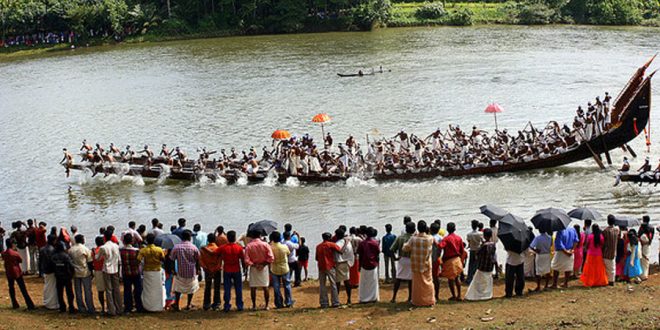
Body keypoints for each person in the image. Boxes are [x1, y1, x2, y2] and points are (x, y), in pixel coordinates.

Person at [402, 220, 435, 306]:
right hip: (426, 264)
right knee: (428, 282)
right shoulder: (430, 238)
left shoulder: (413, 238)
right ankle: (429, 300)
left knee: (417, 284)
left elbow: (405, 248)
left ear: (417, 228)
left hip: (416, 264)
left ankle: (417, 301)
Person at [169, 230, 200, 311]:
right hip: (191, 272)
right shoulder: (194, 247)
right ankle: (189, 304)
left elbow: (172, 259)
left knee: (178, 289)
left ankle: (177, 304)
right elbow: (198, 260)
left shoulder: (176, 247)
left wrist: (172, 269)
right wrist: (198, 270)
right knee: (191, 288)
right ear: (189, 238)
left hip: (180, 272)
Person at [244, 230, 274, 310]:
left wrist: (254, 265)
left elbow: (246, 260)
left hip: (254, 268)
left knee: (253, 287)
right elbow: (271, 257)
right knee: (265, 286)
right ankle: (267, 305)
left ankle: (254, 305)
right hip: (264, 268)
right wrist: (263, 264)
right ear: (260, 235)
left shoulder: (249, 246)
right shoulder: (265, 245)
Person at [2, 238, 35, 310]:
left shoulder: (4, 253)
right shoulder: (15, 253)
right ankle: (29, 304)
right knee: (23, 289)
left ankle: (14, 303)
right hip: (17, 272)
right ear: (12, 244)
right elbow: (20, 260)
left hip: (9, 272)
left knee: (11, 288)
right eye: (15, 243)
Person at [216, 230, 244, 312]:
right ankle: (239, 305)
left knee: (227, 289)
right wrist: (245, 269)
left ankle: (227, 305)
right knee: (238, 288)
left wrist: (204, 248)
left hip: (227, 270)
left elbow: (214, 252)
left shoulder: (223, 248)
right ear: (235, 238)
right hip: (237, 269)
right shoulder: (239, 247)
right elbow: (242, 259)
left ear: (227, 238)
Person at [465, 228, 496, 301]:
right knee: (487, 281)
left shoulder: (484, 245)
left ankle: (478, 295)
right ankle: (487, 295)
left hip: (482, 265)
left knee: (478, 281)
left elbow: (478, 253)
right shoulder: (493, 244)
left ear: (484, 236)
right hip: (490, 265)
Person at [138, 233, 166, 312]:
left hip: (147, 271)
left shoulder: (143, 250)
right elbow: (163, 260)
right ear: (154, 240)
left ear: (146, 240)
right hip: (157, 271)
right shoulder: (159, 249)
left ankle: (147, 306)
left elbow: (138, 260)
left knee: (148, 289)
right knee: (158, 289)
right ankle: (158, 306)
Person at [97, 229, 123, 316]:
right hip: (115, 269)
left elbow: (98, 258)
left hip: (107, 269)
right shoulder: (116, 246)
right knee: (116, 289)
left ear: (104, 237)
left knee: (108, 290)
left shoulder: (103, 247)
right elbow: (119, 259)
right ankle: (119, 308)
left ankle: (111, 310)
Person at [68, 234, 95, 314]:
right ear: (82, 240)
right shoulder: (85, 249)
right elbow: (90, 262)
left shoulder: (71, 250)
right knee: (87, 291)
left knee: (78, 291)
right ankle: (90, 308)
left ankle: (81, 307)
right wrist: (92, 273)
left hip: (75, 272)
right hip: (85, 272)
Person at [438, 222, 465, 301]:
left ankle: (454, 295)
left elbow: (441, 246)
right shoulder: (459, 238)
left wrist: (435, 241)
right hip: (457, 259)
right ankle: (459, 295)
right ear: (455, 229)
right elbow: (462, 250)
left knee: (450, 279)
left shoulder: (446, 238)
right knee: (457, 278)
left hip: (449, 260)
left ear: (447, 229)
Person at [390, 221, 414, 303]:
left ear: (406, 229)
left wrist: (395, 258)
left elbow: (392, 249)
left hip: (402, 259)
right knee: (411, 280)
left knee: (398, 278)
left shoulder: (400, 237)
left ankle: (394, 297)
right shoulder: (414, 238)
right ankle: (410, 298)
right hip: (411, 260)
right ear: (414, 229)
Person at [316, 232, 342, 308]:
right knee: (333, 284)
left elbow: (316, 258)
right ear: (329, 238)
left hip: (321, 266)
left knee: (322, 285)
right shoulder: (331, 244)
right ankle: (335, 302)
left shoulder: (318, 246)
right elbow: (339, 250)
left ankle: (324, 303)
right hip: (330, 266)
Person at [269, 231, 293, 308]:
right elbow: (288, 253)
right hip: (284, 268)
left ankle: (279, 303)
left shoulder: (270, 247)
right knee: (287, 285)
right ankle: (288, 302)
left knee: (276, 287)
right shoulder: (284, 246)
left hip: (274, 269)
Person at [120, 234, 143, 313]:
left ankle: (128, 308)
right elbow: (139, 261)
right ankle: (139, 306)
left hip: (126, 273)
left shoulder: (121, 251)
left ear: (123, 241)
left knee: (127, 291)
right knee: (138, 290)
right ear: (132, 241)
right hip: (136, 272)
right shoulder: (136, 251)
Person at [357, 227, 380, 303]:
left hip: (364, 265)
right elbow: (377, 254)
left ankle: (363, 298)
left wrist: (359, 266)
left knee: (363, 283)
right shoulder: (375, 243)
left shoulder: (362, 243)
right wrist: (377, 263)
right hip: (373, 265)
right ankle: (373, 298)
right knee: (373, 282)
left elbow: (360, 255)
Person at [51, 241, 76, 313]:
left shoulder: (54, 256)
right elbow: (71, 266)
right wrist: (71, 274)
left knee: (60, 293)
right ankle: (71, 307)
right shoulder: (66, 256)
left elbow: (52, 266)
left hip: (58, 277)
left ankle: (62, 307)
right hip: (67, 277)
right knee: (69, 293)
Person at [200, 233, 222, 311]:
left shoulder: (203, 250)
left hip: (207, 270)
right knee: (217, 287)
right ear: (215, 240)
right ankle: (216, 304)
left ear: (208, 240)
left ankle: (206, 304)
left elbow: (201, 261)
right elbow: (220, 261)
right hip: (216, 270)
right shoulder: (218, 249)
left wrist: (206, 269)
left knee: (208, 287)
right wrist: (215, 269)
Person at [334, 228, 354, 304]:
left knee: (337, 282)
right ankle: (349, 299)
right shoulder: (348, 242)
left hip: (340, 263)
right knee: (347, 281)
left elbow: (339, 251)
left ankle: (336, 300)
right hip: (346, 263)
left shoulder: (338, 243)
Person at [40, 234, 59, 310]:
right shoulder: (52, 250)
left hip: (45, 270)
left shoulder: (42, 249)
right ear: (54, 241)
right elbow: (53, 261)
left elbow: (40, 261)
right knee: (53, 287)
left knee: (47, 286)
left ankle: (46, 302)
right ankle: (53, 304)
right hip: (51, 270)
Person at [529, 227, 552, 291]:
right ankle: (546, 285)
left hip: (540, 255)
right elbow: (551, 245)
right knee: (547, 270)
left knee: (538, 271)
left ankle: (538, 286)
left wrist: (536, 250)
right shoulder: (549, 237)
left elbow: (531, 246)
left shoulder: (537, 238)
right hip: (547, 255)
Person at [602, 215, 620, 286]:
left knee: (607, 268)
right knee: (612, 267)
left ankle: (608, 280)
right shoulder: (616, 230)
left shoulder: (605, 231)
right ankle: (612, 281)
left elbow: (603, 241)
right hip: (614, 251)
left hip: (606, 252)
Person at [91, 236, 106, 313]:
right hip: (106, 270)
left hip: (97, 271)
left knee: (100, 291)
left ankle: (103, 308)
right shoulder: (104, 250)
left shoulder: (93, 251)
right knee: (109, 290)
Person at [466, 220, 483, 284]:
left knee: (471, 264)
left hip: (472, 250)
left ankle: (469, 278)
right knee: (477, 265)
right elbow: (482, 241)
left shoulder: (469, 234)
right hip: (478, 250)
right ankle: (476, 278)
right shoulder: (480, 233)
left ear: (472, 226)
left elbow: (469, 242)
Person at [429, 222, 443, 301]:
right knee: (436, 277)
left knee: (429, 278)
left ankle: (430, 294)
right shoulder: (440, 238)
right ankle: (436, 295)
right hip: (437, 258)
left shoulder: (429, 237)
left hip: (429, 259)